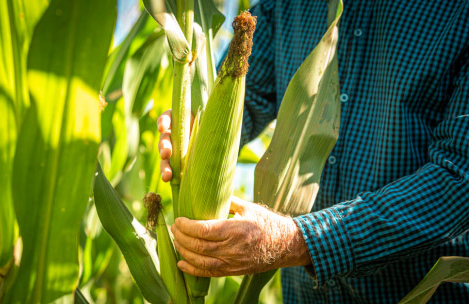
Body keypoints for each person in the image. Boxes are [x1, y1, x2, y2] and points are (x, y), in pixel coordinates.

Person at [157, 0, 469, 303]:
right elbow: (246, 102)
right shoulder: (284, 6)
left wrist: (295, 240)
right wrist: (193, 127)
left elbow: (459, 180)